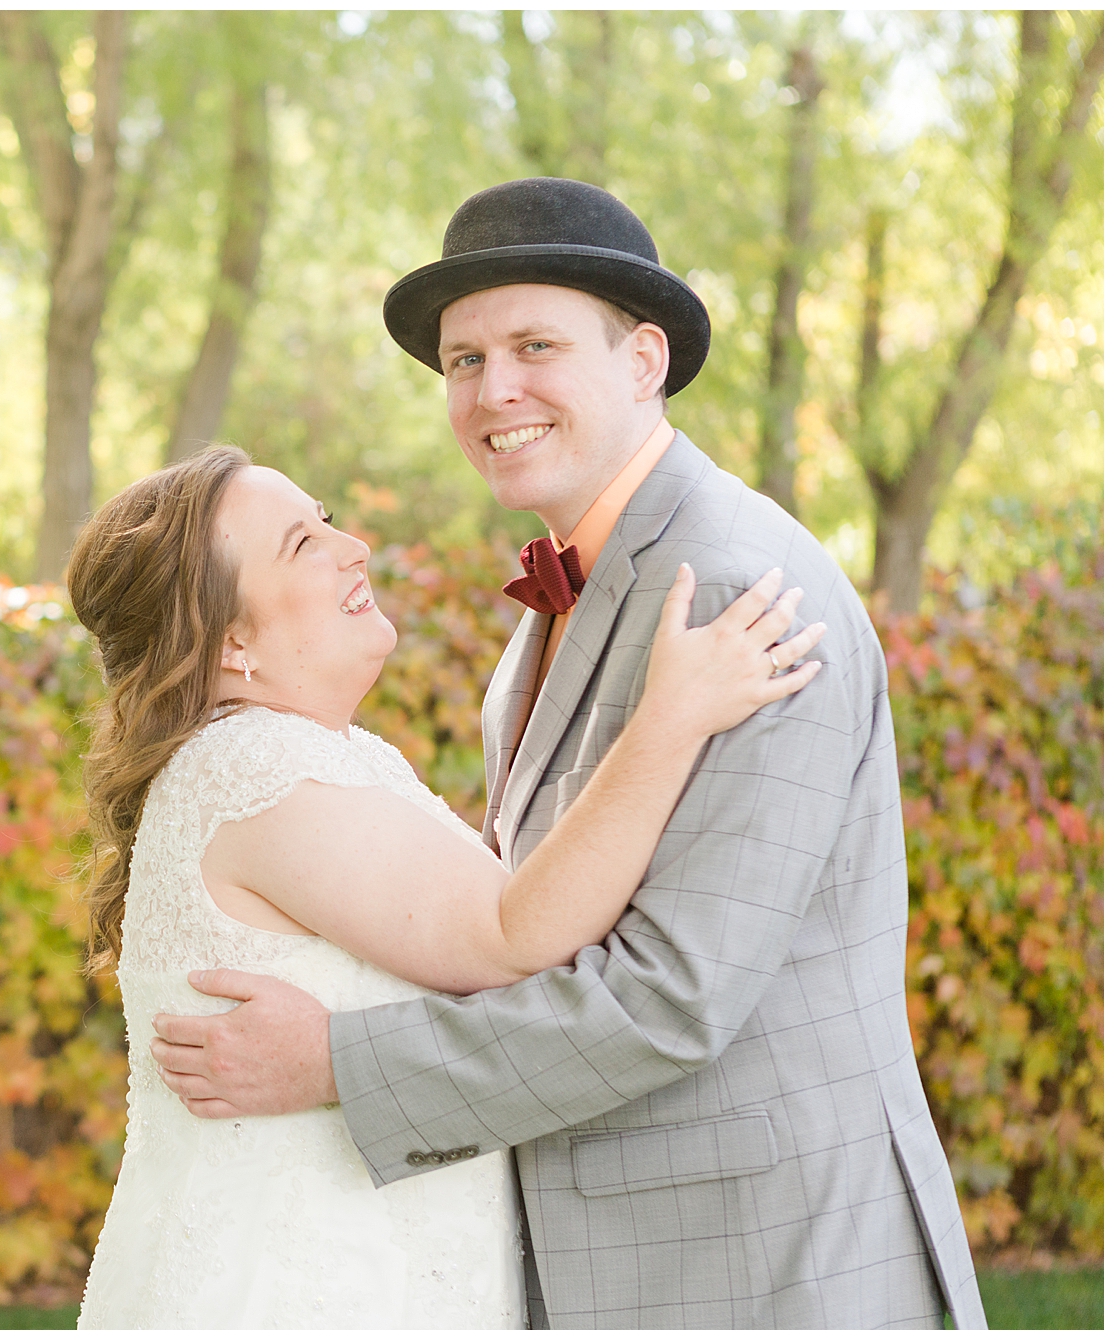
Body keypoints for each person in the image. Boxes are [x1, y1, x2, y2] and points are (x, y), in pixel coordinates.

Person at [147, 177, 986, 1329]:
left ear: (641, 361)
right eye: (461, 361)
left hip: (764, 1264)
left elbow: (668, 996)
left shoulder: (733, 591)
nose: (494, 391)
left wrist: (340, 1063)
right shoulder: (553, 609)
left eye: (533, 345)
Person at [66, 435, 826, 1326]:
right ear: (230, 641)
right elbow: (514, 937)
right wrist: (673, 716)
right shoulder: (253, 767)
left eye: (327, 521)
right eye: (302, 544)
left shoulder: (316, 756)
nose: (353, 547)